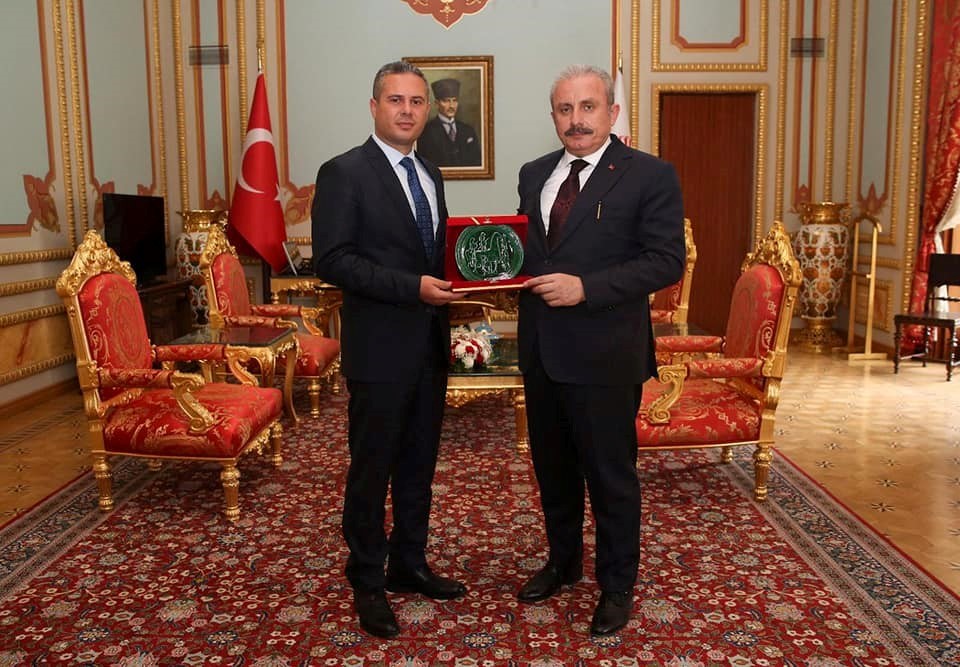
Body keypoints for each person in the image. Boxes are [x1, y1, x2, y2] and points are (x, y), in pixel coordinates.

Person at [515, 64, 685, 636]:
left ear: (611, 113)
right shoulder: (533, 173)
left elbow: (665, 261)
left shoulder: (649, 175)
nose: (576, 120)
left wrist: (585, 288)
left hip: (606, 355)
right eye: (565, 109)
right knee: (553, 470)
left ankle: (616, 586)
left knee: (611, 478)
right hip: (542, 351)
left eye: (588, 107)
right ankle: (563, 564)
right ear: (553, 116)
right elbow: (529, 254)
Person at [311, 60, 465, 640]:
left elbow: (433, 254)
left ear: (427, 110)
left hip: (429, 347)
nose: (407, 110)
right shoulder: (343, 172)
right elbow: (333, 259)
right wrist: (412, 288)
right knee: (372, 469)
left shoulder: (431, 173)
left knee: (420, 465)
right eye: (396, 100)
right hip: (379, 350)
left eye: (416, 101)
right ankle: (367, 579)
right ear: (374, 107)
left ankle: (409, 563)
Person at [416, 78, 482, 167]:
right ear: (437, 104)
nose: (451, 106)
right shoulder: (425, 132)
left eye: (454, 101)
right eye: (446, 101)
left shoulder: (468, 130)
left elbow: (477, 163)